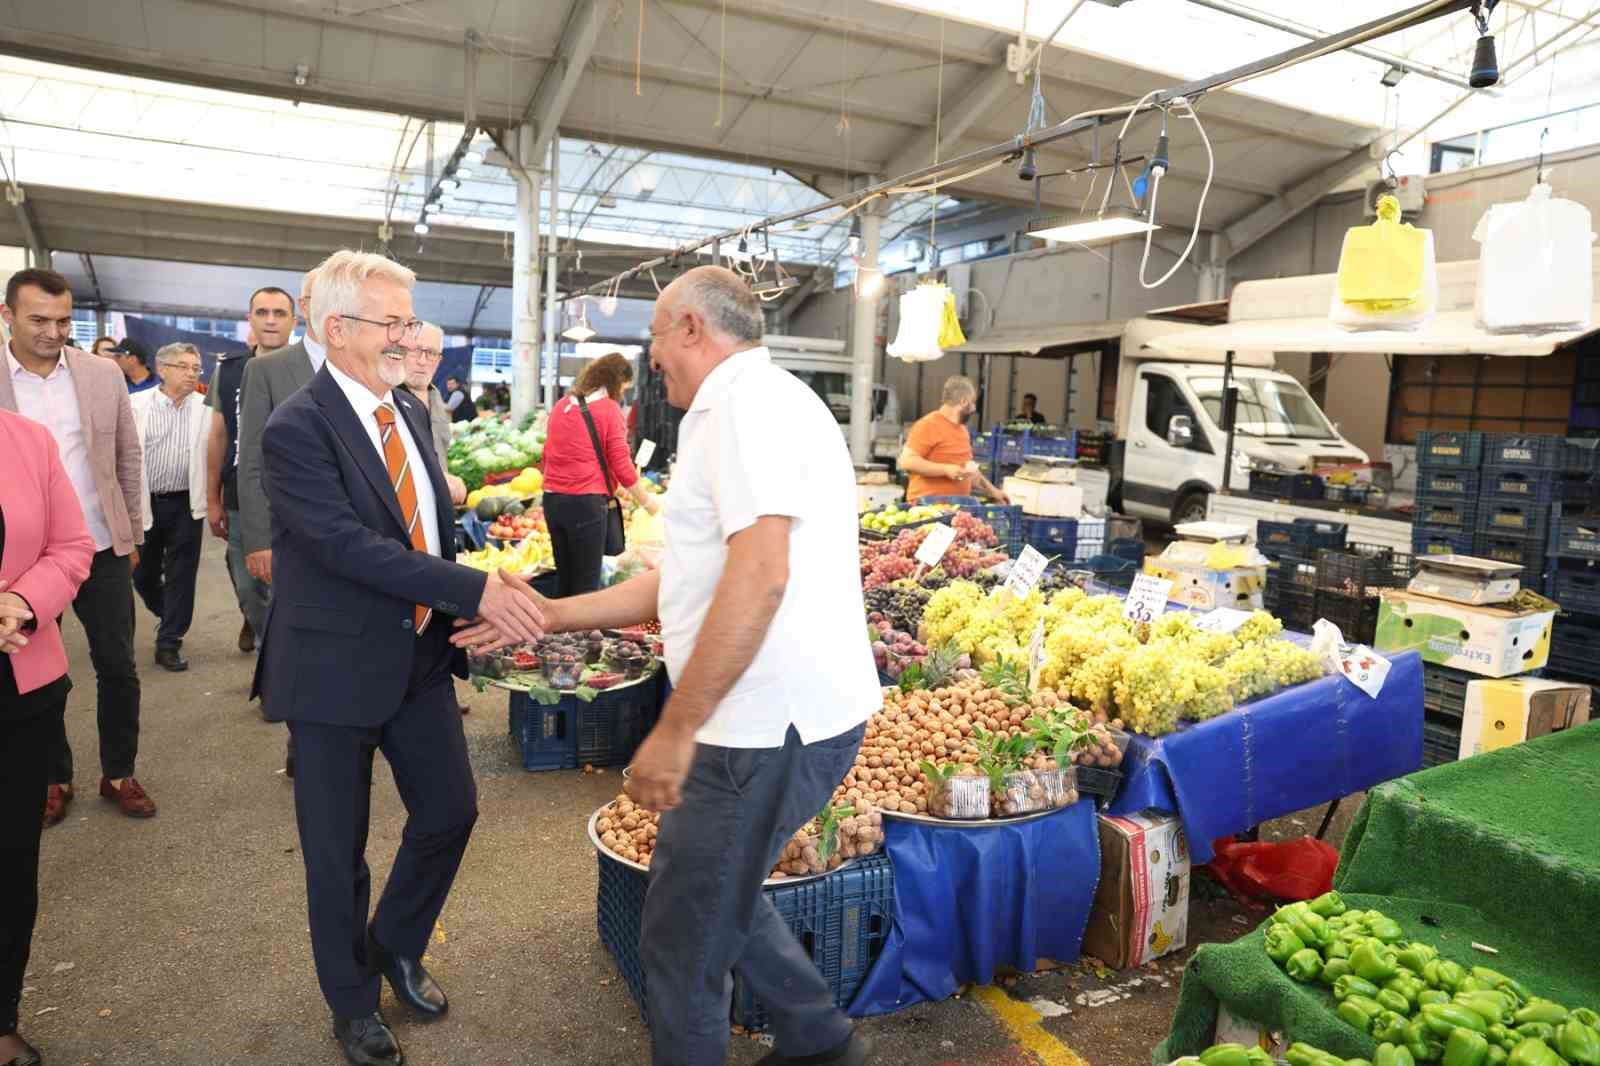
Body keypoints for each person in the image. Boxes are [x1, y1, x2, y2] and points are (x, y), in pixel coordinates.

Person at [454, 266, 880, 1066]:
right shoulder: (753, 404)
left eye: (656, 334)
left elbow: (761, 575)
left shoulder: (742, 410)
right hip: (773, 720)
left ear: (691, 327)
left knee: (682, 945)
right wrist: (549, 612)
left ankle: (821, 1042)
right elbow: (687, 578)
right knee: (717, 894)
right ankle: (821, 1040)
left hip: (755, 731)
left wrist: (677, 729)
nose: (651, 356)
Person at [254, 249, 547, 1066]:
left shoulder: (409, 413)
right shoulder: (297, 428)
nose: (408, 338)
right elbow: (346, 545)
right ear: (339, 329)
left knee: (451, 811)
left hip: (416, 656)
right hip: (331, 670)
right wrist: (471, 588)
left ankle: (392, 944)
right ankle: (351, 1004)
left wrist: (470, 588)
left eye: (409, 322)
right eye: (394, 323)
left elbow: (426, 526)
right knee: (334, 853)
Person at [0, 269, 155, 824]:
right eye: (38, 319)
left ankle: (119, 771)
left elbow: (127, 458)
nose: (52, 331)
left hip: (98, 545)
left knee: (118, 665)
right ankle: (51, 776)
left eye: (63, 320)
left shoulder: (100, 375)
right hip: (20, 562)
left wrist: (132, 533)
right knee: (39, 672)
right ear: (7, 314)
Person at [0, 407, 95, 1066]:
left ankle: (0, 1016)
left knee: (10, 865)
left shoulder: (24, 439)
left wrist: (23, 601)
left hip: (20, 686)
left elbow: (71, 546)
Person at [206, 286, 296, 654]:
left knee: (289, 588)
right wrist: (211, 499)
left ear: (295, 320)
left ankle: (279, 663)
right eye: (262, 312)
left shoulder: (312, 370)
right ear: (250, 319)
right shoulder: (228, 372)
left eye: (279, 313)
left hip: (294, 499)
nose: (271, 320)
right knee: (247, 586)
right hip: (242, 497)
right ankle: (264, 635)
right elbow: (217, 435)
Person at [541, 352, 658, 598]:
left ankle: (558, 635)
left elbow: (547, 455)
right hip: (585, 504)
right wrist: (649, 503)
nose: (623, 394)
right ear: (617, 382)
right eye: (624, 388)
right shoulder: (608, 409)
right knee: (586, 588)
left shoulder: (563, 405)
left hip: (552, 500)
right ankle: (581, 636)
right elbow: (621, 465)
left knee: (565, 580)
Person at [131, 343, 210, 673]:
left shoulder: (207, 408)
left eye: (196, 367)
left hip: (185, 503)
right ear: (161, 369)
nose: (191, 373)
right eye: (183, 366)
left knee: (181, 575)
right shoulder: (135, 404)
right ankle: (170, 613)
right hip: (145, 501)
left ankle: (169, 641)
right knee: (143, 574)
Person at [899, 375, 1008, 504]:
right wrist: (945, 469)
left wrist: (993, 491)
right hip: (927, 510)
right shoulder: (928, 425)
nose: (974, 408)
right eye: (973, 403)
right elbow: (907, 462)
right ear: (963, 401)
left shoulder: (962, 430)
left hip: (956, 510)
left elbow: (969, 472)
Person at [401, 323, 467, 506]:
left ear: (439, 360)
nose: (422, 361)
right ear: (401, 351)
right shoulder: (386, 397)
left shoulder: (436, 397)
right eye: (415, 351)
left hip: (438, 507)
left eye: (431, 353)